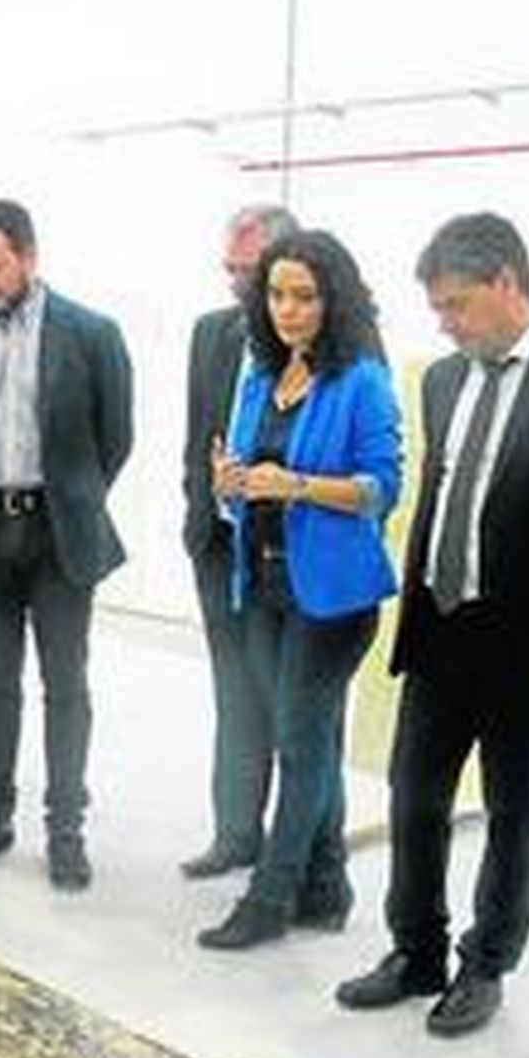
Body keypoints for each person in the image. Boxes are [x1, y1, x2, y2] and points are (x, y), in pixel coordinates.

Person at [334, 213, 529, 1034]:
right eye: (437, 308)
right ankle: (415, 950)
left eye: (458, 303)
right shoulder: (441, 378)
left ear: (508, 282)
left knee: (514, 805)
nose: (446, 322)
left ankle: (486, 963)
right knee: (414, 793)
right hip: (440, 625)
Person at [196, 229, 402, 949]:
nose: (288, 309)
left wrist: (298, 486)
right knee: (308, 738)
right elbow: (246, 481)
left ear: (333, 299)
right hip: (263, 581)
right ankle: (327, 884)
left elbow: (384, 488)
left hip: (335, 594)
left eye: (304, 296)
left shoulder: (363, 380)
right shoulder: (260, 375)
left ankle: (271, 897)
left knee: (297, 739)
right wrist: (231, 488)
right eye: (277, 294)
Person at [0, 199, 134, 891]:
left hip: (59, 532)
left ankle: (65, 829)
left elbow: (116, 438)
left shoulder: (91, 333)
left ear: (29, 255)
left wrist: (74, 496)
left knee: (65, 685)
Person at [179, 203, 298, 880]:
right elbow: (200, 437)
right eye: (230, 269)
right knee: (234, 693)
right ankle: (235, 834)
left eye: (248, 271)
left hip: (285, 555)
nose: (235, 284)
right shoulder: (212, 334)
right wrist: (200, 519)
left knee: (293, 707)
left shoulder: (324, 343)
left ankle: (299, 854)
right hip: (221, 547)